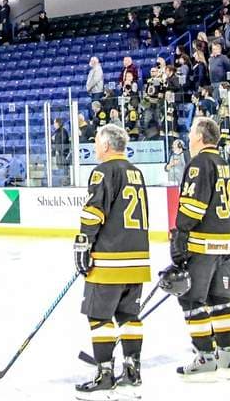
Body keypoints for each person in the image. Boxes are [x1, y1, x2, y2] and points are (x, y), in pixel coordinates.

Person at [70, 124, 152, 394]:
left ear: (106, 145)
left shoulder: (103, 171)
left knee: (98, 316)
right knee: (130, 316)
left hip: (109, 258)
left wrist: (84, 242)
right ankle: (132, 371)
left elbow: (94, 211)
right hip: (138, 257)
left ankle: (105, 373)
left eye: (96, 142)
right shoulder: (136, 172)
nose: (95, 147)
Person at [164, 117, 230, 381]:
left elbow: (193, 204)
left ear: (200, 137)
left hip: (203, 241)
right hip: (225, 240)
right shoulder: (223, 163)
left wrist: (180, 234)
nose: (189, 136)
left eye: (192, 132)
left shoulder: (199, 163)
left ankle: (205, 355)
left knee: (191, 299)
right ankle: (226, 354)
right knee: (220, 299)